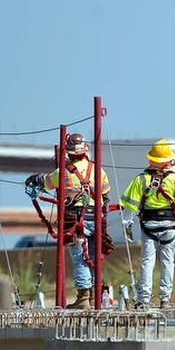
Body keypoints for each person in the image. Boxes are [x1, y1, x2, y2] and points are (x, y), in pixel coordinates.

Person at [24, 132, 110, 310]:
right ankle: (95, 297)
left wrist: (33, 179)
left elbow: (45, 182)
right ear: (85, 149)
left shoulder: (62, 172)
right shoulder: (98, 169)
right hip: (96, 218)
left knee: (80, 258)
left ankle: (83, 299)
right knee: (93, 258)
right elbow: (105, 193)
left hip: (75, 220)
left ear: (68, 152)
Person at [119, 139, 175, 310]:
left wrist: (126, 223)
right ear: (168, 160)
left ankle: (144, 300)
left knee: (147, 262)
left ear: (151, 159)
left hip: (148, 226)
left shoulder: (141, 179)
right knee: (168, 262)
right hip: (170, 228)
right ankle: (165, 300)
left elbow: (130, 206)